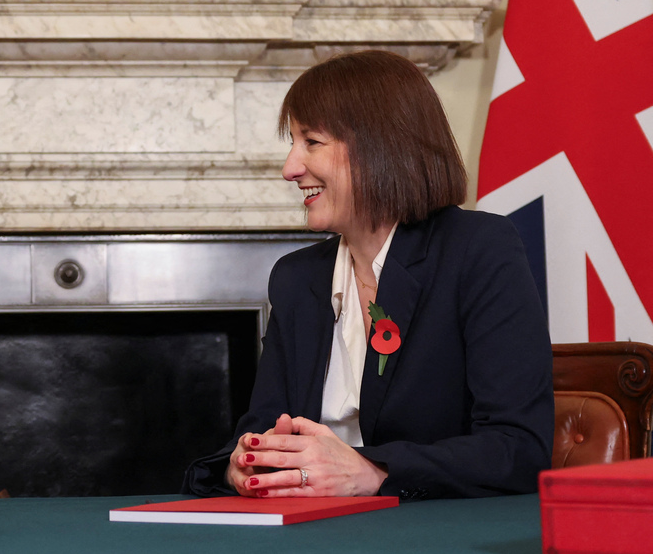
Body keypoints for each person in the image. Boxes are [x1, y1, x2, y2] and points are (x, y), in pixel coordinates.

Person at [183, 50, 553, 501]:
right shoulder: (296, 278)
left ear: (380, 146)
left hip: (431, 529)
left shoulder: (478, 249)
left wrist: (373, 472)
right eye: (293, 143)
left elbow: (518, 450)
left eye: (311, 142)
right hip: (308, 529)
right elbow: (260, 429)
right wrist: (243, 464)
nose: (289, 168)